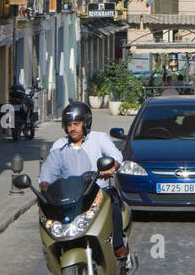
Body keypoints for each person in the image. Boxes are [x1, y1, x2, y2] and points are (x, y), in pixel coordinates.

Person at [38, 100, 129, 260]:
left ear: (85, 123)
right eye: (69, 124)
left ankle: (117, 245)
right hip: (71, 196)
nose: (72, 128)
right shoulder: (59, 146)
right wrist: (45, 183)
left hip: (98, 192)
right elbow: (49, 168)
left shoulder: (98, 139)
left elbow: (115, 156)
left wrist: (112, 166)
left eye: (76, 124)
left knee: (113, 203)